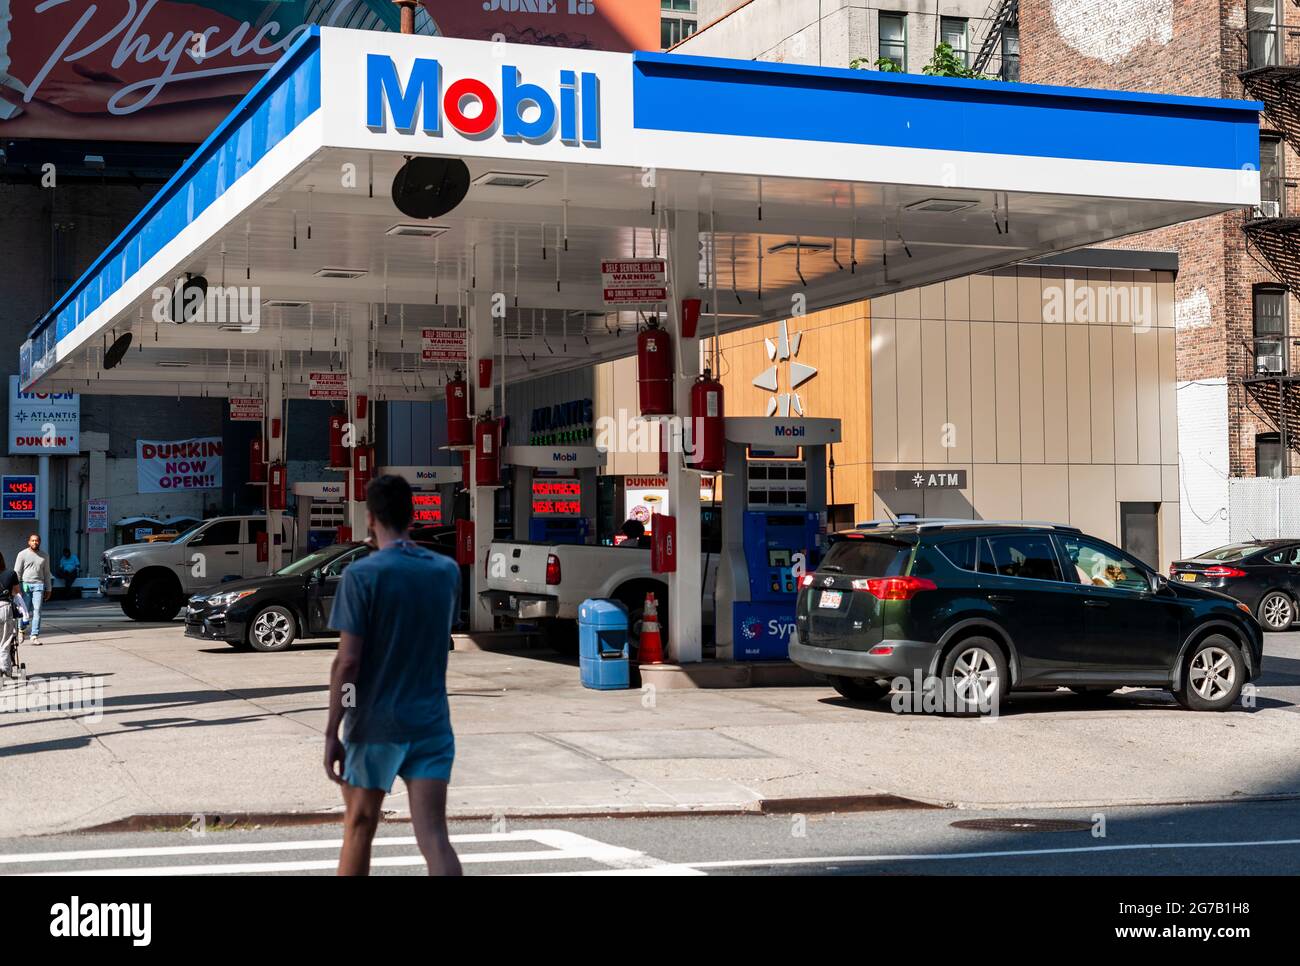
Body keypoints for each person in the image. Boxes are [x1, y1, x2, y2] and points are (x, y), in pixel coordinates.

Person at [323, 474, 462, 876]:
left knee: (359, 826)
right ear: (413, 515)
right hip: (431, 723)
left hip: (375, 724)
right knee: (434, 836)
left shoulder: (362, 575)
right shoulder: (445, 571)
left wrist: (335, 727)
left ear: (369, 518)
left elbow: (347, 664)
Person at [14, 535, 51, 646]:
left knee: (37, 610)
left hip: (39, 585)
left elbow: (47, 573)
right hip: (25, 585)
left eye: (37, 540)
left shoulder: (44, 556)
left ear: (40, 542)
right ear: (29, 542)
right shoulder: (22, 554)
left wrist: (49, 589)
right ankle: (21, 630)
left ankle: (34, 635)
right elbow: (17, 572)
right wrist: (17, 588)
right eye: (33, 540)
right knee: (25, 611)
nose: (35, 542)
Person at [0, 558, 23, 679]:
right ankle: (5, 670)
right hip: (4, 607)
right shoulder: (11, 573)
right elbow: (17, 592)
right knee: (5, 642)